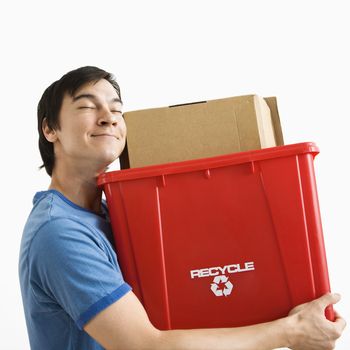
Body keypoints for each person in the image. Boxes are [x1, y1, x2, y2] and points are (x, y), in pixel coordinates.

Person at [19, 66, 346, 350]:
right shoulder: (59, 232)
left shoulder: (116, 215)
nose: (109, 118)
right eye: (88, 107)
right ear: (50, 129)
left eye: (117, 110)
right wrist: (292, 330)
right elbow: (143, 344)